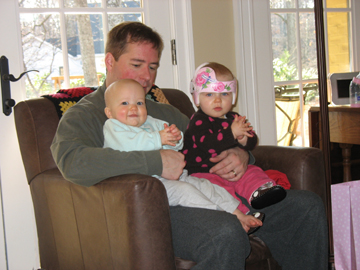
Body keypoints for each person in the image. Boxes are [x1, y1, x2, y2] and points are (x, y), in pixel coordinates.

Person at [51, 21, 328, 269]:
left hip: (208, 191)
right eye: (136, 65)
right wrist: (156, 161)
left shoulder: (167, 112)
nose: (147, 77)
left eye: (153, 66)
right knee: (225, 232)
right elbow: (74, 162)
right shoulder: (85, 114)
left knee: (305, 207)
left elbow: (206, 144)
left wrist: (240, 155)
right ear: (109, 61)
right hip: (153, 211)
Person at [102, 78, 263, 233]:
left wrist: (175, 137)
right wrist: (159, 137)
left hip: (176, 175)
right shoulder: (113, 126)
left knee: (206, 186)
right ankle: (225, 217)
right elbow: (130, 144)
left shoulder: (151, 122)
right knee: (186, 192)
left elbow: (178, 145)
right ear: (109, 112)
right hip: (151, 185)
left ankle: (239, 214)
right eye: (124, 103)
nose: (133, 108)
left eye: (139, 103)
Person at [183, 62, 287, 214]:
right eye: (210, 94)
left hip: (234, 169)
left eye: (224, 94)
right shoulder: (198, 121)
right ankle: (241, 213)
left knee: (252, 170)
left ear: (233, 96)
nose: (218, 100)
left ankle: (261, 192)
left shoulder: (234, 118)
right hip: (204, 172)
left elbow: (251, 139)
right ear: (197, 97)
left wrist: (244, 139)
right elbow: (208, 144)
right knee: (220, 190)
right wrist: (231, 133)